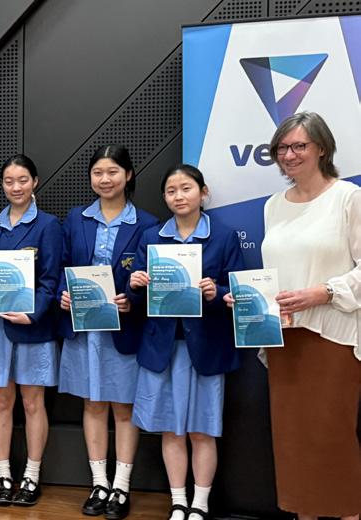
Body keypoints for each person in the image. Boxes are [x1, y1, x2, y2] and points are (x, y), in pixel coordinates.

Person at [256, 112, 359, 520]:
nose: (289, 155)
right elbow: (274, 274)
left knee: (332, 438)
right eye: (282, 148)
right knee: (292, 441)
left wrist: (323, 292)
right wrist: (251, 301)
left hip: (332, 335)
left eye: (299, 145)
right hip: (283, 338)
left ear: (322, 148)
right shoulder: (272, 206)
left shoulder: (348, 198)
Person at [127, 164, 244, 520]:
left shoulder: (223, 237)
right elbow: (133, 298)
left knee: (202, 430)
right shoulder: (151, 237)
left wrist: (216, 292)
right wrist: (135, 284)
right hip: (163, 347)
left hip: (205, 347)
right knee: (171, 428)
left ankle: (200, 503)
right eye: (171, 191)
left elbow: (239, 292)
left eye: (186, 188)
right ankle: (178, 501)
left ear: (203, 193)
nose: (179, 196)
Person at [57, 145, 158, 519]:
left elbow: (149, 278)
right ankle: (99, 483)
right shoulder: (76, 218)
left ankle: (121, 486)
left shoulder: (147, 224)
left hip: (123, 329)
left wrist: (133, 299)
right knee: (92, 404)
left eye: (113, 172)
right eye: (98, 172)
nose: (105, 179)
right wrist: (62, 294)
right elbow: (62, 265)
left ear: (128, 175)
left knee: (124, 407)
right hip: (85, 328)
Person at [0, 154, 61, 507]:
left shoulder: (48, 225)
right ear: (2, 185)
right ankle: (3, 475)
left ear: (35, 182)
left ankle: (31, 476)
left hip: (32, 328)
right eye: (9, 181)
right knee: (0, 401)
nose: (16, 187)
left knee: (32, 402)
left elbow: (52, 278)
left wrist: (34, 313)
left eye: (23, 180)